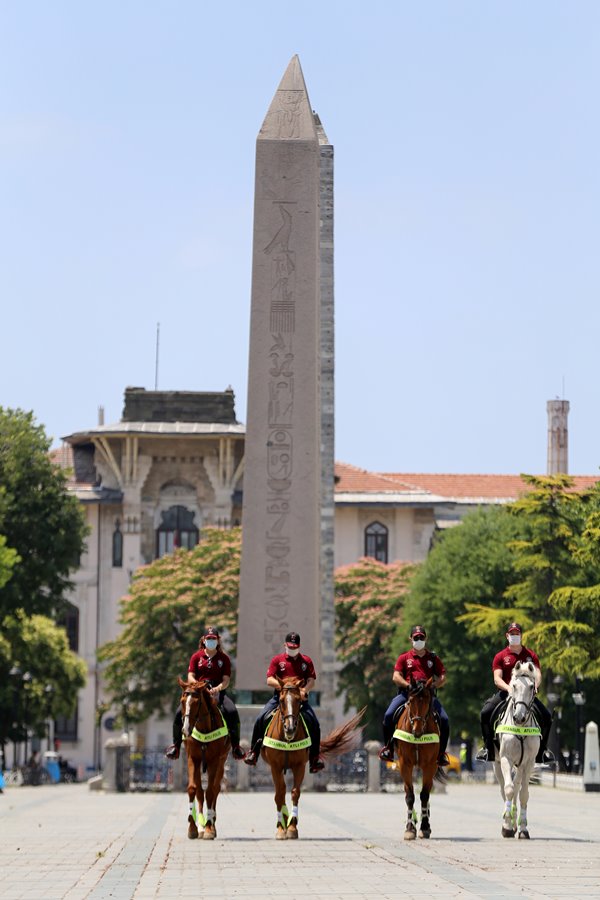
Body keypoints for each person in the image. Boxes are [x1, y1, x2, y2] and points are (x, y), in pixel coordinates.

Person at [243, 631, 325, 773]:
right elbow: (269, 679)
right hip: (279, 698)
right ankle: (254, 752)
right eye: (290, 647)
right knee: (260, 718)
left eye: (295, 647)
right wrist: (284, 687)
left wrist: (304, 690)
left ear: (299, 646)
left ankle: (314, 758)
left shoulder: (306, 661)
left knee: (315, 724)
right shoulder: (277, 660)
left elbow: (311, 680)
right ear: (285, 645)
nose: (292, 649)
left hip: (300, 700)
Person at [476, 622, 554, 764]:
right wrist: (509, 688)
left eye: (517, 633)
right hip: (506, 694)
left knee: (547, 717)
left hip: (527, 696)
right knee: (485, 713)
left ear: (521, 635)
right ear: (507, 636)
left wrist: (536, 685)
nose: (514, 636)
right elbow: (497, 678)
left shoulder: (531, 655)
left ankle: (542, 752)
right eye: (512, 634)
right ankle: (488, 749)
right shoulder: (500, 656)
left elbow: (538, 674)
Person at [165, 626, 245, 761]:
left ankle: (236, 746)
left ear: (218, 640)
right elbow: (190, 675)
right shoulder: (196, 657)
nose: (211, 641)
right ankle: (176, 745)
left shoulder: (224, 658)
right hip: (198, 691)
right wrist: (197, 686)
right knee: (179, 712)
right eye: (208, 639)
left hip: (217, 692)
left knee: (231, 711)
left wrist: (218, 688)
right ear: (203, 640)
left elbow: (226, 680)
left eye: (214, 639)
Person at [379, 625, 450, 766]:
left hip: (427, 696)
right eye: (416, 637)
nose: (419, 639)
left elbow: (443, 676)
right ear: (410, 639)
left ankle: (441, 754)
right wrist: (407, 686)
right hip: (407, 694)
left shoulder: (433, 658)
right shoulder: (404, 658)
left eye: (421, 637)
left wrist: (434, 685)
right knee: (388, 715)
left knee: (445, 719)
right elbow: (396, 676)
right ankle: (388, 749)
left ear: (426, 638)